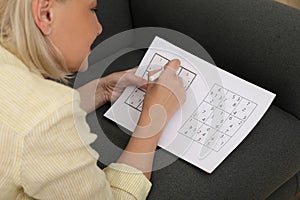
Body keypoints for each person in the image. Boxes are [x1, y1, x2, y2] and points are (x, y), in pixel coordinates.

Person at [0, 0, 186, 199]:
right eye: (92, 9)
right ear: (45, 14)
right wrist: (153, 119)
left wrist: (101, 91)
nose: (99, 28)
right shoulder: (44, 117)